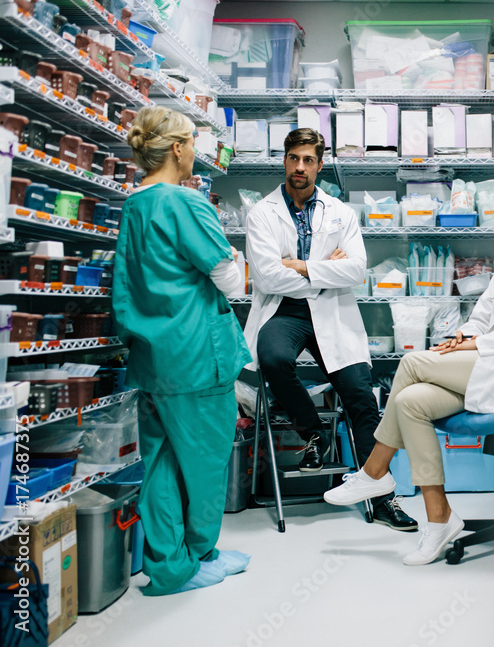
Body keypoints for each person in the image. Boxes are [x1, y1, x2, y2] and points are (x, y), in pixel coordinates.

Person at [324, 179, 494, 565]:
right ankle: (439, 517)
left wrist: (476, 344)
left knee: (411, 362)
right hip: (489, 365)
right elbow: (482, 315)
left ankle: (375, 470)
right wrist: (463, 334)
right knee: (410, 402)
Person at [242, 128, 416, 531]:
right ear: (284, 161)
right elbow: (268, 279)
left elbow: (356, 270)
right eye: (293, 158)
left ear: (320, 165)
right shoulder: (262, 213)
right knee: (272, 357)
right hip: (283, 311)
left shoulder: (340, 212)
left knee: (360, 396)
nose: (299, 167)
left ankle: (383, 495)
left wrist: (300, 265)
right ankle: (314, 432)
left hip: (333, 312)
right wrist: (327, 270)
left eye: (307, 160)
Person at [112, 106, 252, 595]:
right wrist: (238, 257)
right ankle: (201, 556)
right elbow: (231, 283)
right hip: (197, 358)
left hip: (153, 358)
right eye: (194, 142)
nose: (198, 151)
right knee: (206, 462)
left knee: (161, 461)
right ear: (177, 148)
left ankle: (170, 566)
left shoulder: (135, 204)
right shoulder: (189, 204)